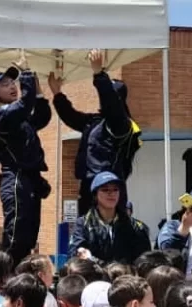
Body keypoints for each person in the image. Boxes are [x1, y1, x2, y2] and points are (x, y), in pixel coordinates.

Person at [48, 48, 140, 216]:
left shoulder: (121, 125)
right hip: (88, 187)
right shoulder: (96, 121)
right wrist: (57, 93)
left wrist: (98, 73)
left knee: (108, 235)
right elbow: (72, 117)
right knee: (86, 232)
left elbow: (111, 103)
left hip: (108, 188)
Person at [0, 61, 52, 262]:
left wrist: (37, 88)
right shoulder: (0, 115)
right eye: (5, 84)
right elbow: (25, 104)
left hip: (28, 179)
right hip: (15, 179)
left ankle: (20, 278)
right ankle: (5, 278)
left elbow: (42, 116)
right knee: (16, 236)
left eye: (13, 82)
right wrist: (26, 74)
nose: (12, 86)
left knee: (29, 235)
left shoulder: (17, 116)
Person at [69, 172, 152, 266]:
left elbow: (145, 261)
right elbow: (76, 257)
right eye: (105, 190)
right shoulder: (83, 224)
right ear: (95, 195)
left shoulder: (136, 226)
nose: (111, 193)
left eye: (115, 189)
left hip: (126, 279)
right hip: (94, 279)